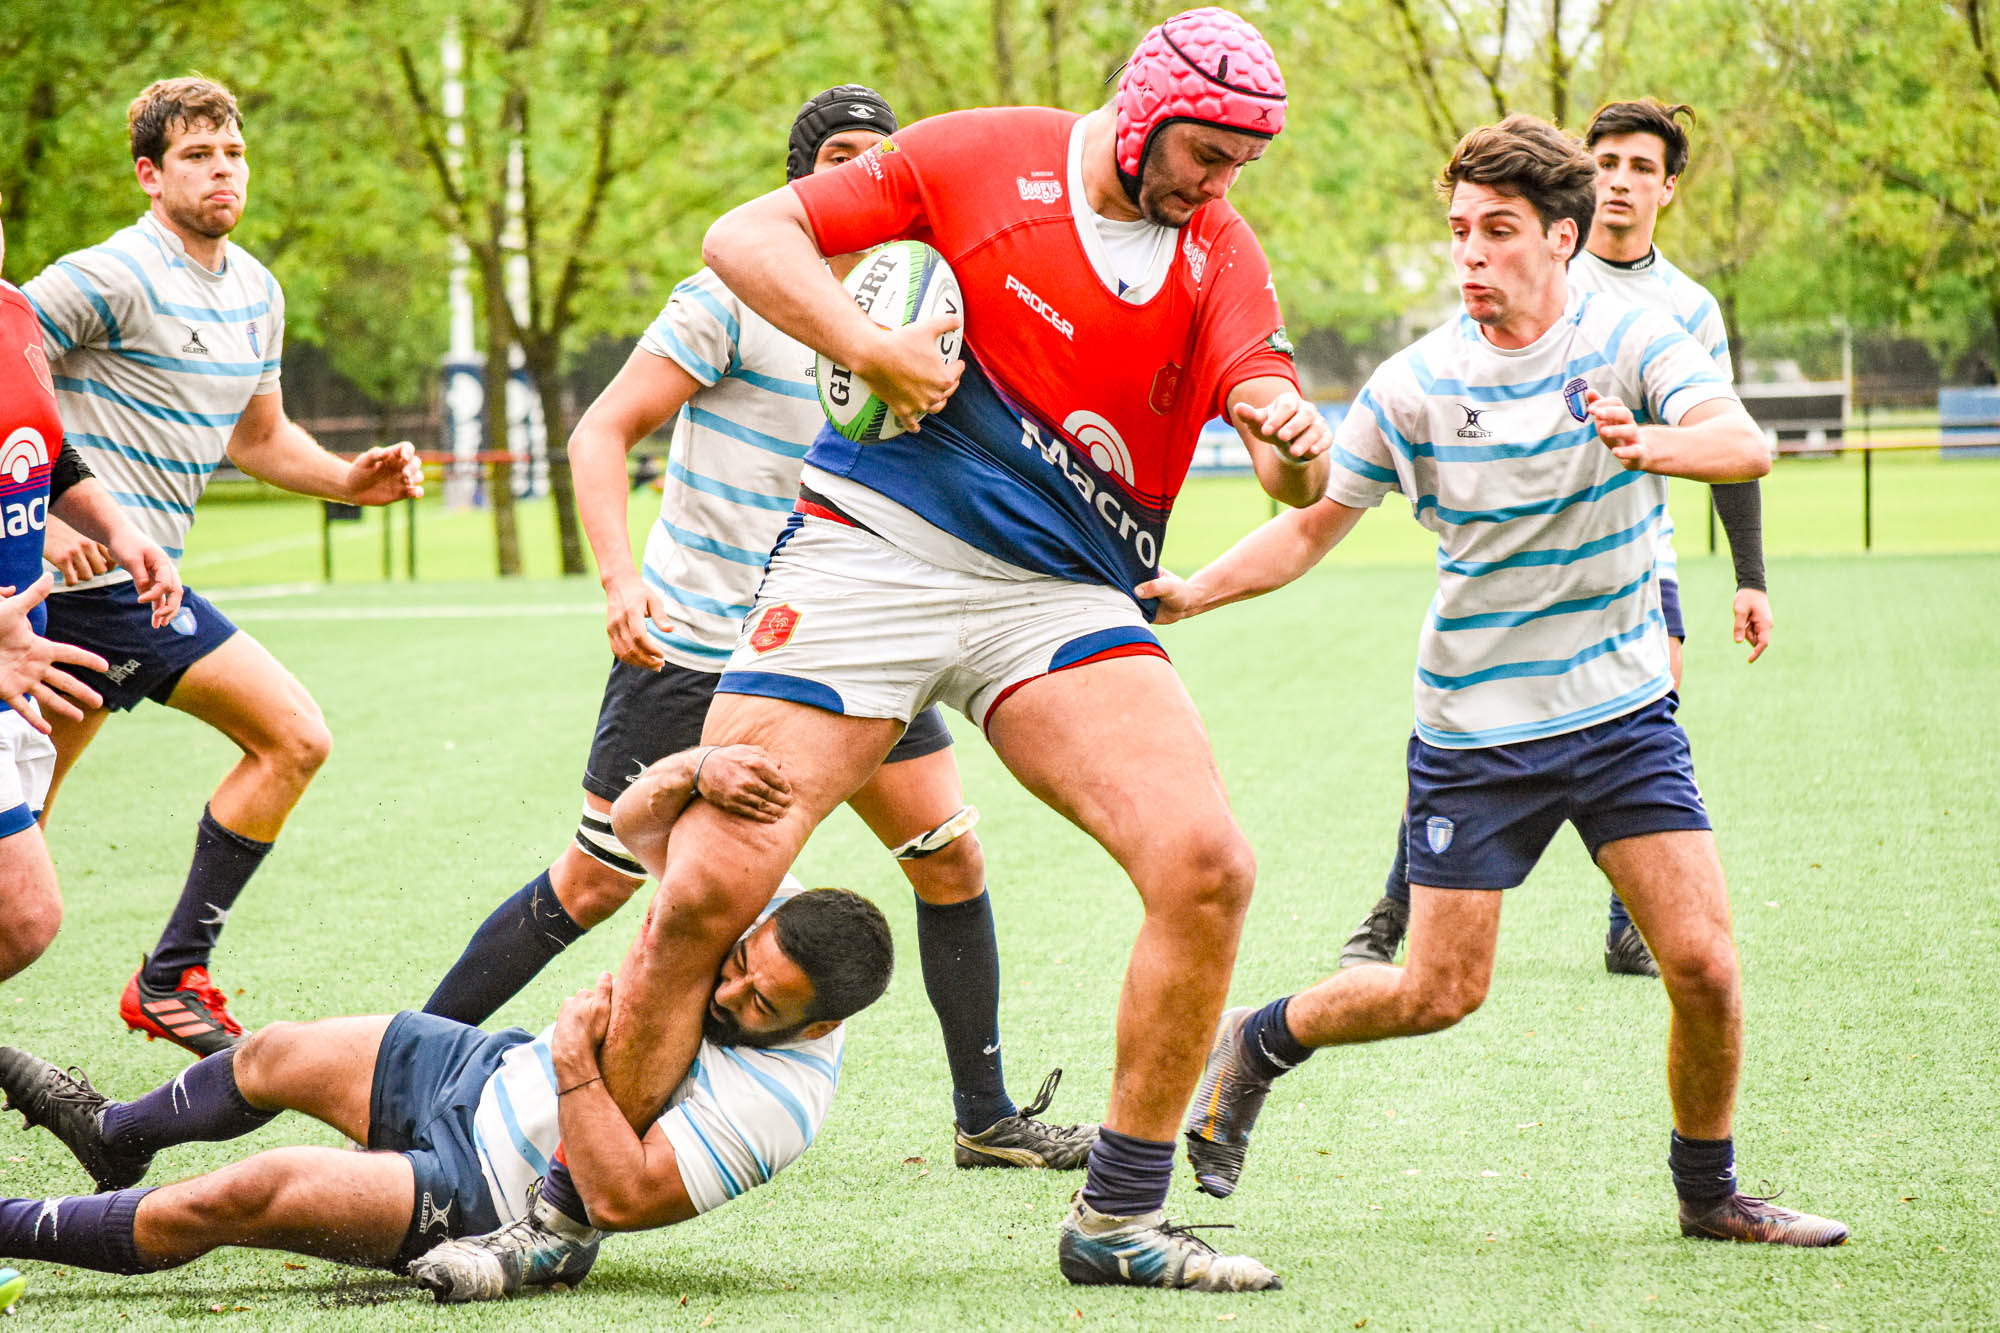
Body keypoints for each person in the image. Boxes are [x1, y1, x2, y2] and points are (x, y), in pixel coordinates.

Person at [450, 7, 1332, 1294]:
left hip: (1061, 593)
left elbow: (1260, 420)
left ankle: (1118, 1220)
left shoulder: (1217, 250)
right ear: (1142, 116)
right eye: (1204, 153)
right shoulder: (978, 156)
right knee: (706, 883)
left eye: (1240, 165)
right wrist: (863, 346)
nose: (1217, 184)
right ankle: (561, 1214)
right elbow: (745, 236)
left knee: (1206, 866)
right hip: (869, 551)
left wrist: (1284, 435)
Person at [1151, 114, 1845, 1247]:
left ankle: (1706, 1194)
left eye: (1498, 231)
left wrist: (1649, 445)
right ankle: (1259, 1037)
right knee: (1436, 992)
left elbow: (1741, 441)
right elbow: (1308, 529)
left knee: (1705, 966)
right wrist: (1193, 592)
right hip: (1476, 733)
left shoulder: (1634, 338)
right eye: (1458, 231)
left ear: (1562, 237)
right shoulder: (1414, 384)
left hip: (1622, 716)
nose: (1469, 254)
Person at [420, 85, 1093, 1171]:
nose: (859, 173)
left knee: (948, 859)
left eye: (879, 158)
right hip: (701, 647)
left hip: (851, 638)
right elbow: (603, 432)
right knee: (598, 878)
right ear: (801, 183)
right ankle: (419, 1065)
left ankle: (985, 1117)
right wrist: (615, 580)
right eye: (836, 156)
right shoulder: (731, 295)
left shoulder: (930, 309)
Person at [0, 744, 894, 1304]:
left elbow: (620, 1195)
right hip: (484, 1068)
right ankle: (119, 1134)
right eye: (739, 967)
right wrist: (695, 769)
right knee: (269, 1051)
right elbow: (632, 823)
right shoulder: (755, 908)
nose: (730, 995)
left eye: (762, 1008)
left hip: (490, 1195)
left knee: (240, 1195)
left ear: (819, 1027)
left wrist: (580, 1064)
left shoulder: (784, 1102)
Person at [22, 77, 424, 1054]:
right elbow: (3, 363)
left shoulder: (255, 291)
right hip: (51, 598)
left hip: (134, 595)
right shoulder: (108, 274)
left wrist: (345, 481)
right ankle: (167, 980)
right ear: (150, 175)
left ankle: (170, 977)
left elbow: (260, 435)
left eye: (232, 153)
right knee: (18, 847)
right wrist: (34, 519)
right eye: (197, 156)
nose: (221, 171)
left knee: (291, 737)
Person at [1339, 98, 1775, 980]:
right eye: (1605, 160)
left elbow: (1731, 439)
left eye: (1640, 166)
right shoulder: (1538, 276)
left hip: (1633, 545)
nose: (1619, 178)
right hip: (1510, 549)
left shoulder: (1683, 309)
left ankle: (1631, 917)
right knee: (1484, 699)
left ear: (1668, 189)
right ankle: (1398, 899)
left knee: (1650, 701)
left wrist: (1750, 574)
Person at [2, 214, 185, 987]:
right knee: (26, 912)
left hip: (18, 669)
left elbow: (44, 445)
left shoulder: (12, 312)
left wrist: (120, 529)